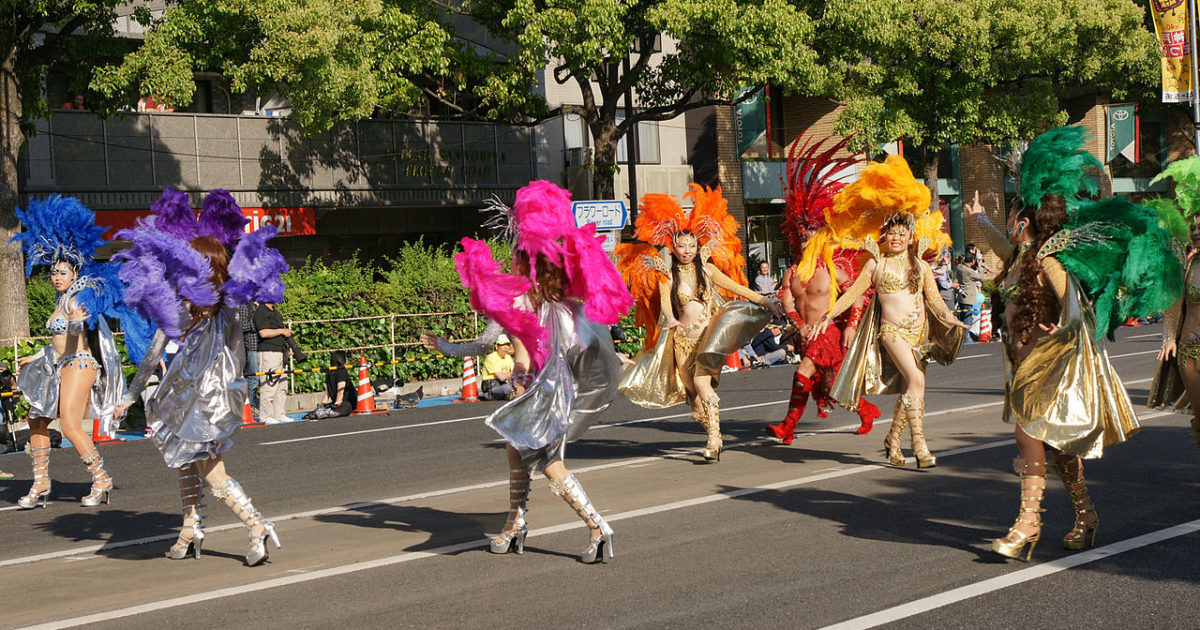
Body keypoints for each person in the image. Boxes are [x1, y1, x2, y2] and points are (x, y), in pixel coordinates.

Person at [968, 127, 1179, 561]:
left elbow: (1074, 304)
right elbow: (994, 243)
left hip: (1051, 362)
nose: (1007, 223)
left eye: (1009, 216)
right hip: (1020, 364)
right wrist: (978, 219)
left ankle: (1027, 525)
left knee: (1027, 432)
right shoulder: (1015, 258)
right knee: (1057, 446)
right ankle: (1086, 516)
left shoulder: (1048, 259)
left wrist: (1062, 327)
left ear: (1023, 221)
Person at [422, 180, 633, 563]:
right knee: (515, 450)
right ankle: (514, 523)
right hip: (554, 388)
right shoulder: (564, 297)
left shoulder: (520, 294)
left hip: (545, 392)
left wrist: (445, 346)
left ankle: (598, 526)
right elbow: (562, 344)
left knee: (549, 463)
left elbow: (486, 344)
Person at [114, 187, 288, 566]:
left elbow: (216, 354)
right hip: (191, 396)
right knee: (184, 461)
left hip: (208, 400)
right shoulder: (196, 307)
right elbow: (155, 352)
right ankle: (190, 529)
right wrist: (130, 395)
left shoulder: (222, 308)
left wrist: (131, 395)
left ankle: (257, 525)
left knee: (210, 468)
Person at [809, 156, 969, 468]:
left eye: (902, 234)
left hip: (918, 332)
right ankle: (919, 445)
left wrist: (948, 315)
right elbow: (852, 294)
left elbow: (934, 298)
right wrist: (829, 315)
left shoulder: (920, 265)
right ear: (885, 236)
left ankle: (892, 441)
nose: (896, 238)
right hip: (892, 332)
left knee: (912, 386)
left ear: (911, 238)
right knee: (915, 381)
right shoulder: (875, 264)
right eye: (892, 234)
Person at [616, 184, 784, 461]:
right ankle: (712, 430)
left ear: (697, 247)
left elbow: (738, 288)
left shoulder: (707, 269)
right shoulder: (666, 275)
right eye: (682, 246)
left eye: (692, 246)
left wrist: (767, 301)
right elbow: (668, 308)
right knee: (693, 402)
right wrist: (669, 320)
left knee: (702, 383)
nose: (687, 251)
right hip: (682, 342)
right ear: (673, 246)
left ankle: (715, 440)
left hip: (710, 335)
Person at [10, 195, 137, 509]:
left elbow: (77, 332)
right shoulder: (60, 300)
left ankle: (101, 478)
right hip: (61, 363)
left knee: (68, 423)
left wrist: (78, 323)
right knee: (36, 418)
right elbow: (58, 341)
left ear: (75, 275)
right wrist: (38, 357)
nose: (56, 277)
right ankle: (41, 482)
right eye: (53, 272)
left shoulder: (79, 297)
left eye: (62, 273)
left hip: (80, 364)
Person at [763, 134, 881, 444]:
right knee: (831, 388)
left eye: (810, 237)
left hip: (829, 333)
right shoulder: (791, 273)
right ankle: (867, 411)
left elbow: (858, 295)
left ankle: (787, 427)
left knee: (802, 373)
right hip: (806, 334)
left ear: (822, 239)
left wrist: (851, 326)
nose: (805, 242)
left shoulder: (833, 268)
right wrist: (798, 325)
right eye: (801, 238)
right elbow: (787, 301)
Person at [1148, 156, 1200, 446]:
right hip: (1190, 353)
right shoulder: (1189, 265)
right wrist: (1169, 337)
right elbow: (1175, 302)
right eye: (1193, 227)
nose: (1195, 232)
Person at [253, 301, 292, 424]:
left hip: (280, 351)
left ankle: (279, 414)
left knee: (282, 384)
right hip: (268, 351)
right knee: (269, 385)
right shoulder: (261, 311)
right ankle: (266, 415)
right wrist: (281, 331)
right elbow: (263, 333)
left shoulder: (276, 312)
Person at [317, 350, 357, 417]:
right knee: (346, 406)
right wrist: (323, 405)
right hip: (342, 402)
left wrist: (325, 404)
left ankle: (329, 411)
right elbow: (339, 392)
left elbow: (328, 393)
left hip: (341, 402)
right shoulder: (342, 371)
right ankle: (331, 412)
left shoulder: (329, 372)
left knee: (344, 406)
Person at [478, 334, 517, 400]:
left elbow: (515, 373)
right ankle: (510, 394)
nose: (505, 347)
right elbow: (501, 377)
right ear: (496, 346)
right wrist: (511, 373)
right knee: (508, 388)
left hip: (502, 385)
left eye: (507, 345)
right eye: (502, 345)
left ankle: (511, 394)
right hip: (491, 389)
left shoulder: (508, 357)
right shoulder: (491, 357)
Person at [956, 254, 986, 340]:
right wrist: (980, 267)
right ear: (972, 261)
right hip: (968, 297)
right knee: (967, 318)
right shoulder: (969, 271)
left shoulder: (959, 267)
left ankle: (961, 338)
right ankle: (965, 339)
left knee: (962, 317)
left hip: (962, 295)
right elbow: (982, 277)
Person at [236, 302, 259, 411]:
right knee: (253, 377)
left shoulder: (263, 305)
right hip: (252, 345)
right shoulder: (245, 306)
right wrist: (256, 324)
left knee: (263, 377)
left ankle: (256, 405)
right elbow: (241, 325)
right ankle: (250, 406)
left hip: (264, 346)